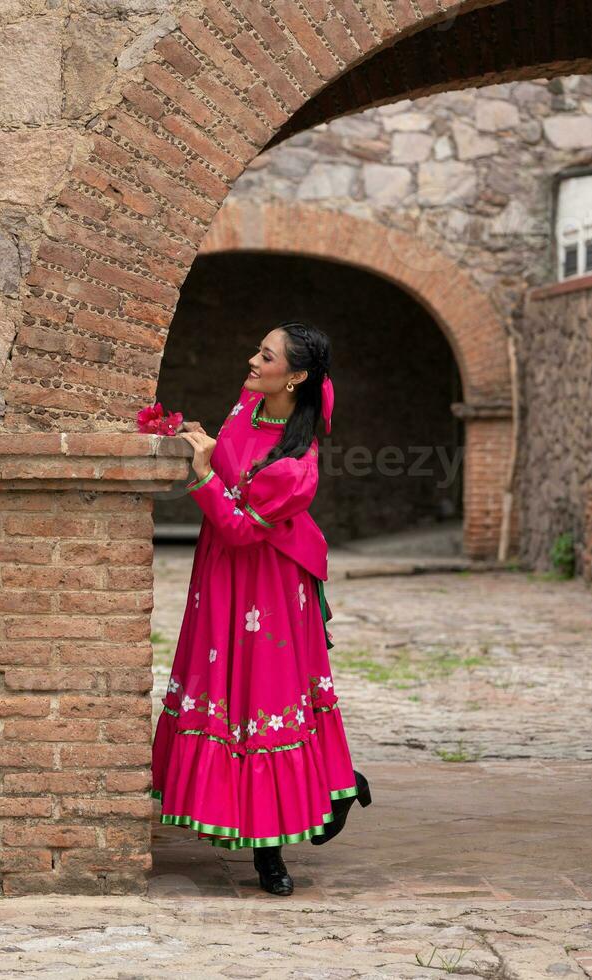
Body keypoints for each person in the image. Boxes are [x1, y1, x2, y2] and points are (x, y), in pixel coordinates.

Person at [152, 320, 371, 896]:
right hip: (221, 576)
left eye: (266, 355)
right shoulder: (248, 403)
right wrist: (200, 444)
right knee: (224, 690)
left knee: (263, 699)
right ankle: (334, 785)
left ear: (295, 376)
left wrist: (201, 475)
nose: (252, 361)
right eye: (258, 349)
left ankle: (271, 855)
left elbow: (242, 528)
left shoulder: (297, 466)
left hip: (268, 585)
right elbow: (230, 472)